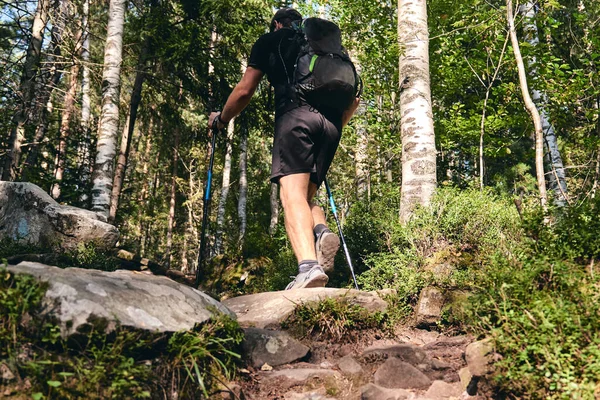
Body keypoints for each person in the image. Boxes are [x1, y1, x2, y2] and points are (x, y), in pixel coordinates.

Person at [208, 8, 360, 290]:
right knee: (306, 196)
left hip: (295, 118)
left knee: (291, 194)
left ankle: (308, 268)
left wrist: (221, 119)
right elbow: (354, 99)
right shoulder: (328, 49)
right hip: (332, 126)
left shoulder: (271, 41)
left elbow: (244, 90)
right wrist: (333, 127)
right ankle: (321, 232)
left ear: (277, 24)